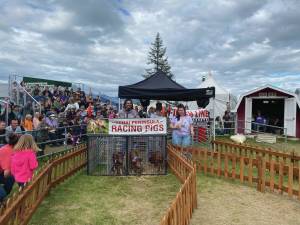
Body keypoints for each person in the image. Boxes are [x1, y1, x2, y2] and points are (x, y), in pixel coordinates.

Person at [0, 133, 20, 202]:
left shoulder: (12, 148)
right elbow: (6, 173)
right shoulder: (7, 151)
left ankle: (2, 199)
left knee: (10, 179)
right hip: (3, 173)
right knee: (2, 194)